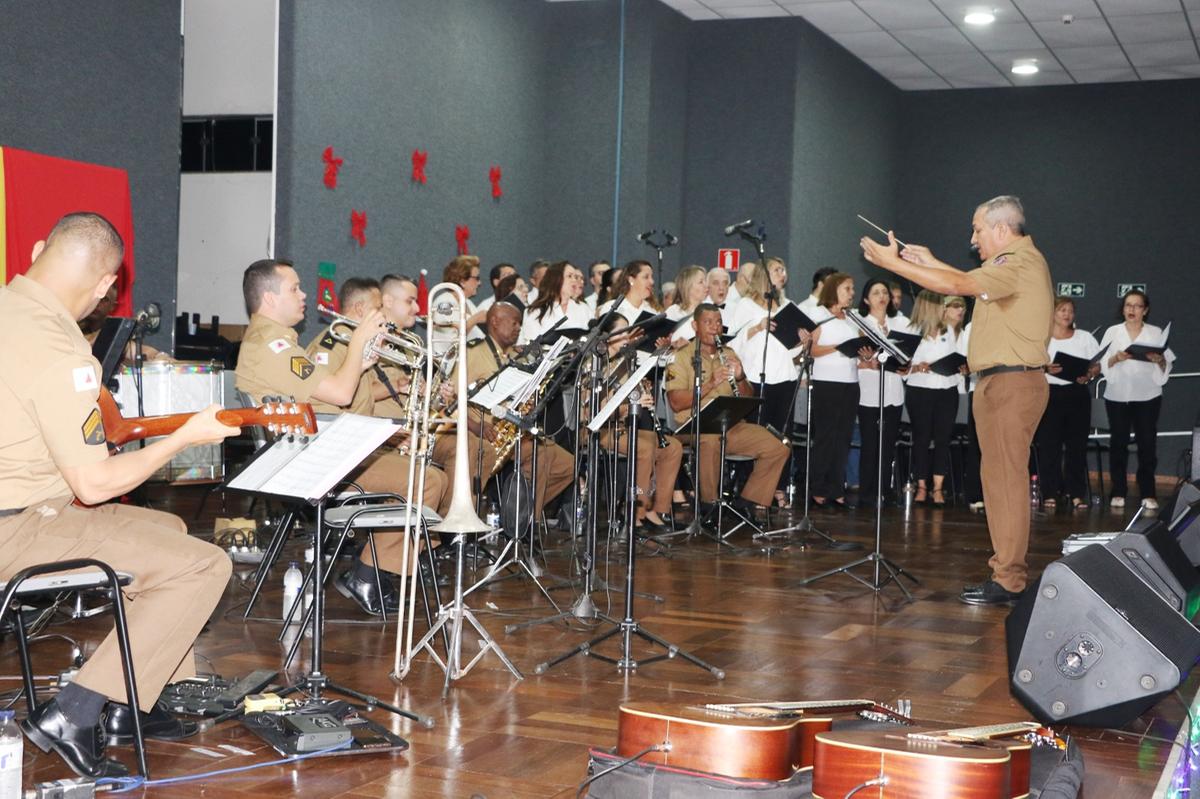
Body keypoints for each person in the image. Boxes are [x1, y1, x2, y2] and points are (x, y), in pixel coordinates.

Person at [1, 213, 236, 778]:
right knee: (206, 565)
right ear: (108, 285)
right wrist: (182, 438)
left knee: (169, 532)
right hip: (16, 527)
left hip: (17, 507)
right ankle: (75, 712)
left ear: (39, 248)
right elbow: (94, 483)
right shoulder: (63, 355)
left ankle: (135, 696)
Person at [861, 194, 1053, 605]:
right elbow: (967, 282)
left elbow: (960, 285)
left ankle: (1010, 579)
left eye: (978, 229)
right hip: (1000, 384)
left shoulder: (1017, 262)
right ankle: (1006, 570)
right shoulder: (1010, 265)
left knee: (1005, 483)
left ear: (1002, 229)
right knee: (997, 482)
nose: (973, 238)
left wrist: (892, 264)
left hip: (1011, 384)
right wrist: (925, 261)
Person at [234, 260, 447, 616]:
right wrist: (359, 345)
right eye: (294, 289)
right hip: (304, 462)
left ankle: (377, 571)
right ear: (269, 299)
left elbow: (328, 399)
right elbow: (341, 394)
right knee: (425, 480)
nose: (304, 295)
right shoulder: (272, 348)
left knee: (425, 474)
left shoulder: (276, 342)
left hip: (310, 449)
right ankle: (367, 574)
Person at [373, 273, 499, 510]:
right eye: (410, 301)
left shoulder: (409, 343)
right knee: (467, 447)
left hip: (418, 427)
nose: (418, 307)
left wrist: (438, 395)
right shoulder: (373, 339)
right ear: (388, 301)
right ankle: (443, 526)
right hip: (391, 430)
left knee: (482, 449)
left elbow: (421, 395)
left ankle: (452, 520)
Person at [665, 304, 790, 514]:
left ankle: (748, 502)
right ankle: (709, 505)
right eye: (708, 322)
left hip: (729, 424)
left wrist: (740, 377)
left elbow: (748, 396)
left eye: (718, 322)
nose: (715, 328)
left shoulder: (729, 352)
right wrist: (710, 384)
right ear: (695, 325)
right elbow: (676, 402)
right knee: (711, 440)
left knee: (778, 446)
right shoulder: (681, 356)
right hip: (694, 426)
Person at [459, 302, 575, 522]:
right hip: (479, 432)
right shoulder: (472, 353)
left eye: (520, 324)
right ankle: (527, 522)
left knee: (568, 465)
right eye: (514, 322)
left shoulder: (519, 357)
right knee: (540, 455)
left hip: (511, 433)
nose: (518, 328)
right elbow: (451, 399)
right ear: (494, 321)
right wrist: (475, 427)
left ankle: (517, 515)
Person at [594, 315, 683, 535]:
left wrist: (642, 391)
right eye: (623, 333)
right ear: (608, 338)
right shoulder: (596, 364)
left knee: (672, 447)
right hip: (603, 430)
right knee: (644, 449)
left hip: (625, 426)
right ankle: (635, 513)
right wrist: (631, 403)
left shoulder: (626, 361)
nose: (628, 338)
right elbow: (596, 410)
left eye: (628, 333)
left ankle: (656, 509)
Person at [728, 257, 804, 506]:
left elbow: (788, 351)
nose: (783, 274)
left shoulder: (788, 305)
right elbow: (732, 343)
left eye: (784, 269)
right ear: (764, 275)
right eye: (777, 270)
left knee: (781, 435)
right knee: (758, 434)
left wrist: (803, 343)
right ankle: (750, 490)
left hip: (785, 376)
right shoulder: (746, 305)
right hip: (756, 377)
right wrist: (758, 327)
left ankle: (777, 487)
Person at [1099, 289, 1175, 511]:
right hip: (1118, 396)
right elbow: (1102, 363)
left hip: (1147, 396)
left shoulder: (1155, 332)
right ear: (1122, 309)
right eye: (1128, 305)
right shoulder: (1113, 332)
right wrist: (1116, 358)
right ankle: (1118, 490)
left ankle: (1148, 492)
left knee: (1147, 444)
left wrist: (1159, 361)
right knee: (1118, 443)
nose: (1131, 310)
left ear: (1145, 310)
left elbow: (1166, 364)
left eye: (1137, 306)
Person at [807, 273, 867, 508]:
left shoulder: (854, 318)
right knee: (825, 437)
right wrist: (838, 347)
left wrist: (864, 353)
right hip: (826, 383)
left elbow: (862, 347)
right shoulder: (819, 316)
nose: (852, 293)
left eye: (852, 288)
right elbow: (812, 350)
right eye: (847, 288)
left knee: (843, 437)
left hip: (850, 382)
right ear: (834, 290)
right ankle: (817, 487)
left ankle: (836, 486)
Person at [1036, 297, 1101, 511]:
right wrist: (1044, 368)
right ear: (1052, 313)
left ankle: (1076, 493)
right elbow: (1029, 365)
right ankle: (1050, 492)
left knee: (1077, 446)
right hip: (1050, 394)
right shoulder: (1041, 338)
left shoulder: (1084, 337)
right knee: (1049, 446)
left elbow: (1095, 365)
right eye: (1062, 310)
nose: (1066, 314)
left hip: (1077, 394)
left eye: (1070, 311)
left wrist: (1089, 374)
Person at [902, 292, 966, 507]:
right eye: (940, 305)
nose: (943, 309)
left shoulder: (952, 330)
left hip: (947, 390)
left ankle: (938, 487)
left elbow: (961, 360)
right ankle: (921, 486)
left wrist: (962, 368)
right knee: (921, 437)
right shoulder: (911, 330)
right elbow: (901, 366)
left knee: (943, 438)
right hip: (920, 389)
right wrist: (917, 366)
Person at [855, 278, 905, 506]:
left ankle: (885, 489)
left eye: (884, 292)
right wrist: (865, 361)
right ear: (866, 299)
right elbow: (853, 356)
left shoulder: (901, 322)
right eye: (876, 293)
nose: (882, 296)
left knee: (888, 444)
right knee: (870, 443)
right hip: (869, 391)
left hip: (893, 390)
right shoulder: (860, 323)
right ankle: (867, 492)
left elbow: (907, 356)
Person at [521, 261, 590, 344]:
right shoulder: (535, 311)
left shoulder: (583, 308)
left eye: (575, 277)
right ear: (556, 279)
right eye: (569, 276)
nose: (574, 281)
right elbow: (530, 345)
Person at [431, 255, 486, 353]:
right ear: (462, 281)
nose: (479, 283)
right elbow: (451, 341)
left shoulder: (468, 302)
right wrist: (476, 319)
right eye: (476, 278)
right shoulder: (444, 303)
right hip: (452, 363)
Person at [666, 265, 708, 343]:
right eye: (701, 282)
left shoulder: (709, 311)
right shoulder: (673, 312)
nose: (706, 285)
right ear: (688, 287)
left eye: (705, 281)